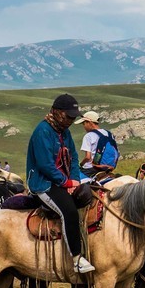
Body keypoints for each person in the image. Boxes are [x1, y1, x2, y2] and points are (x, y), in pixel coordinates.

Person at [26, 94, 95, 274]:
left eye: (73, 117)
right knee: (69, 210)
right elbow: (45, 165)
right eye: (68, 116)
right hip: (44, 183)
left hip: (63, 181)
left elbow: (73, 158)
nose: (71, 120)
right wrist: (66, 182)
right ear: (57, 112)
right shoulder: (42, 131)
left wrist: (75, 181)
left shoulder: (65, 132)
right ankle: (76, 259)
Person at [77, 111, 116, 175]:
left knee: (76, 178)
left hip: (90, 168)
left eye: (84, 123)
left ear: (89, 122)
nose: (84, 126)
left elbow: (88, 157)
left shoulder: (88, 136)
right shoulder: (108, 134)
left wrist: (81, 164)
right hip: (107, 167)